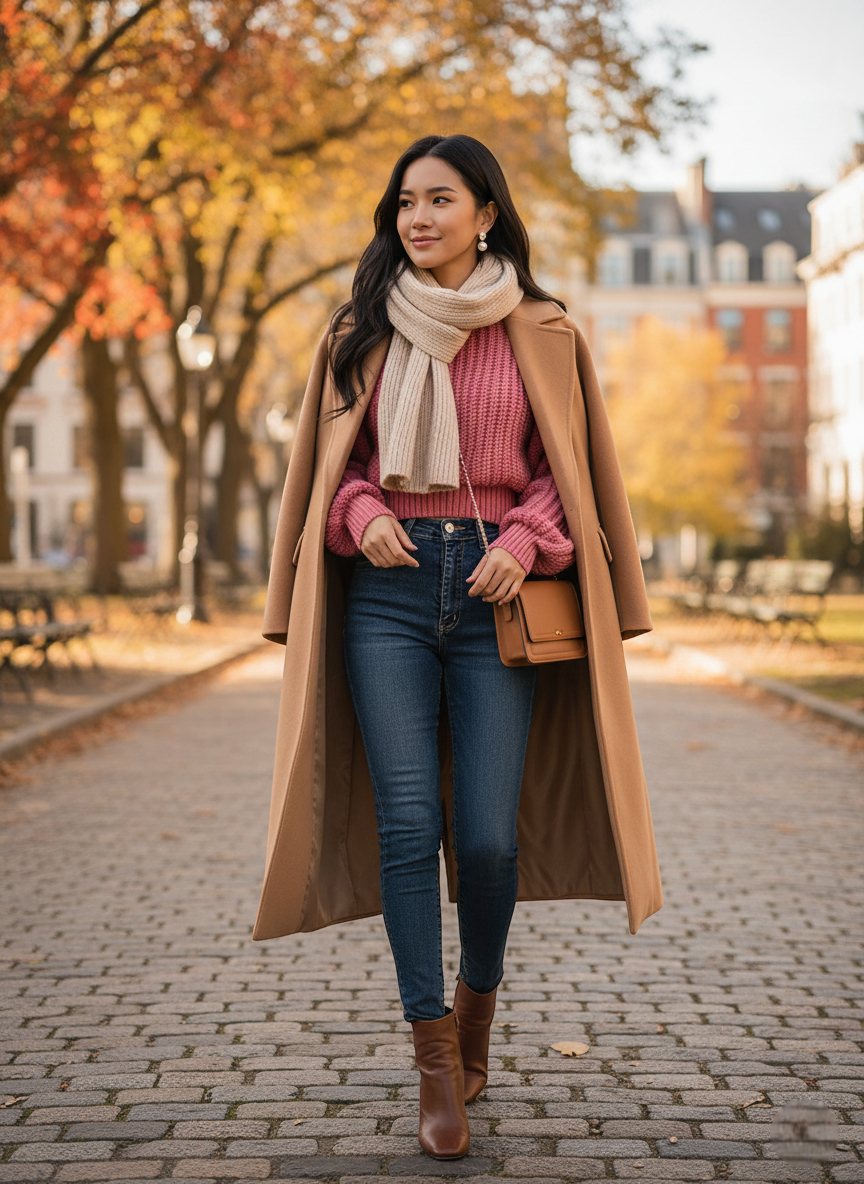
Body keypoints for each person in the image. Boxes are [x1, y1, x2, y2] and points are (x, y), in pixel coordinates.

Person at [253, 133, 663, 1163]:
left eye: (441, 199)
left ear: (486, 212)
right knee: (406, 824)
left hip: (495, 604)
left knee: (483, 838)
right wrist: (359, 514)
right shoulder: (358, 329)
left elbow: (563, 473)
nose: (418, 218)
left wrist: (527, 541)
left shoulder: (543, 330)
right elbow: (329, 470)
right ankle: (434, 1055)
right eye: (404, 203)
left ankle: (478, 1005)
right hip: (386, 599)